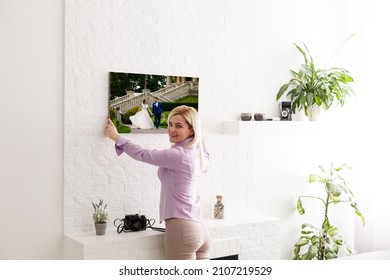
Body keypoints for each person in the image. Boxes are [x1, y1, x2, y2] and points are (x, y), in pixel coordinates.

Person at [105, 105, 211, 260]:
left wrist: (116, 137)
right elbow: (203, 146)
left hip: (182, 229)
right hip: (201, 229)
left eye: (178, 126)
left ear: (192, 130)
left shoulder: (178, 155)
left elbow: (142, 154)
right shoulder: (198, 154)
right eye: (170, 124)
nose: (171, 129)